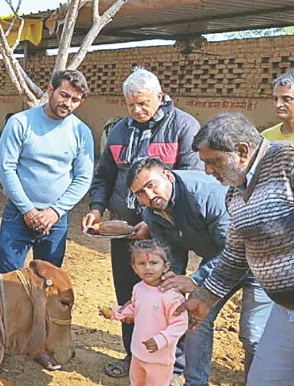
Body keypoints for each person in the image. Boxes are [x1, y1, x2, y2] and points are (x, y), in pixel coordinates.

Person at [178, 112, 294, 385]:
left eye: (213, 161)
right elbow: (235, 255)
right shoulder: (235, 193)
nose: (207, 170)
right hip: (285, 310)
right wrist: (205, 297)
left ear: (242, 151)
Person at [82, 66, 202, 381]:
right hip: (124, 233)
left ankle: (171, 367)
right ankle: (132, 354)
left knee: (166, 298)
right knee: (129, 294)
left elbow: (190, 182)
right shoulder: (119, 130)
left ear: (160, 97)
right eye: (131, 104)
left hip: (165, 235)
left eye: (143, 103)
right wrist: (96, 208)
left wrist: (151, 221)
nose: (137, 110)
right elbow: (104, 175)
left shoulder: (184, 128)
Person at [126, 156, 272, 384]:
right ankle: (195, 382)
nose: (149, 196)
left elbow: (236, 249)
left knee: (253, 334)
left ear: (166, 175)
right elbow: (170, 253)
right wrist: (168, 283)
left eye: (150, 185)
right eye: (140, 193)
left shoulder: (206, 195)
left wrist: (195, 279)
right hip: (217, 259)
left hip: (257, 260)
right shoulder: (153, 212)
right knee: (196, 317)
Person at [0, 69, 95, 370]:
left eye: (75, 100)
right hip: (18, 214)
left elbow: (83, 178)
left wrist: (54, 211)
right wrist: (27, 209)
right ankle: (0, 344)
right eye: (64, 95)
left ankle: (41, 346)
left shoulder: (81, 132)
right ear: (50, 89)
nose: (68, 103)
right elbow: (6, 168)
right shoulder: (21, 123)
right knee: (7, 282)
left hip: (57, 219)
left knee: (50, 287)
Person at [100, 239, 189, 386]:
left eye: (154, 263)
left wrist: (161, 340)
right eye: (141, 263)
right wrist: (116, 313)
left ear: (166, 266)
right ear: (134, 268)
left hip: (159, 358)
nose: (147, 268)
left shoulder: (171, 295)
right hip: (138, 352)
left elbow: (180, 324)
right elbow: (135, 308)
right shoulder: (138, 288)